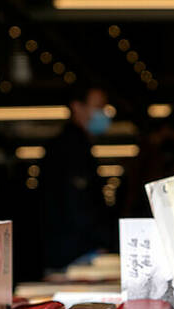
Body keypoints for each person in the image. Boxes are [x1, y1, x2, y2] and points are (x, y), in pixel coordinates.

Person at [40, 85, 115, 271]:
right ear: (77, 107)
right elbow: (79, 205)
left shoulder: (75, 146)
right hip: (74, 253)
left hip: (68, 249)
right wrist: (103, 240)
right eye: (98, 107)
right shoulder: (71, 149)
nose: (103, 114)